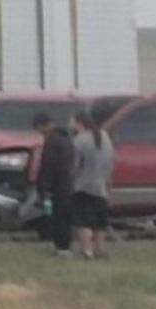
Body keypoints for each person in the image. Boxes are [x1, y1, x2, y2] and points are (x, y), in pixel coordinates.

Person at [70, 110, 115, 260]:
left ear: (79, 123)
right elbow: (111, 160)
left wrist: (71, 178)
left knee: (83, 221)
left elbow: (75, 164)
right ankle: (100, 249)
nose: (70, 124)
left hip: (83, 185)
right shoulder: (105, 136)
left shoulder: (79, 140)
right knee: (99, 222)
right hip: (101, 184)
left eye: (72, 121)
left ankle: (86, 250)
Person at [34, 113, 75, 257]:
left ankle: (61, 246)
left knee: (57, 217)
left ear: (43, 125)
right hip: (68, 184)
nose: (39, 132)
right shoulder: (67, 139)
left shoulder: (52, 141)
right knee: (65, 217)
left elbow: (48, 166)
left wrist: (44, 187)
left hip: (56, 186)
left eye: (39, 128)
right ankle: (65, 245)